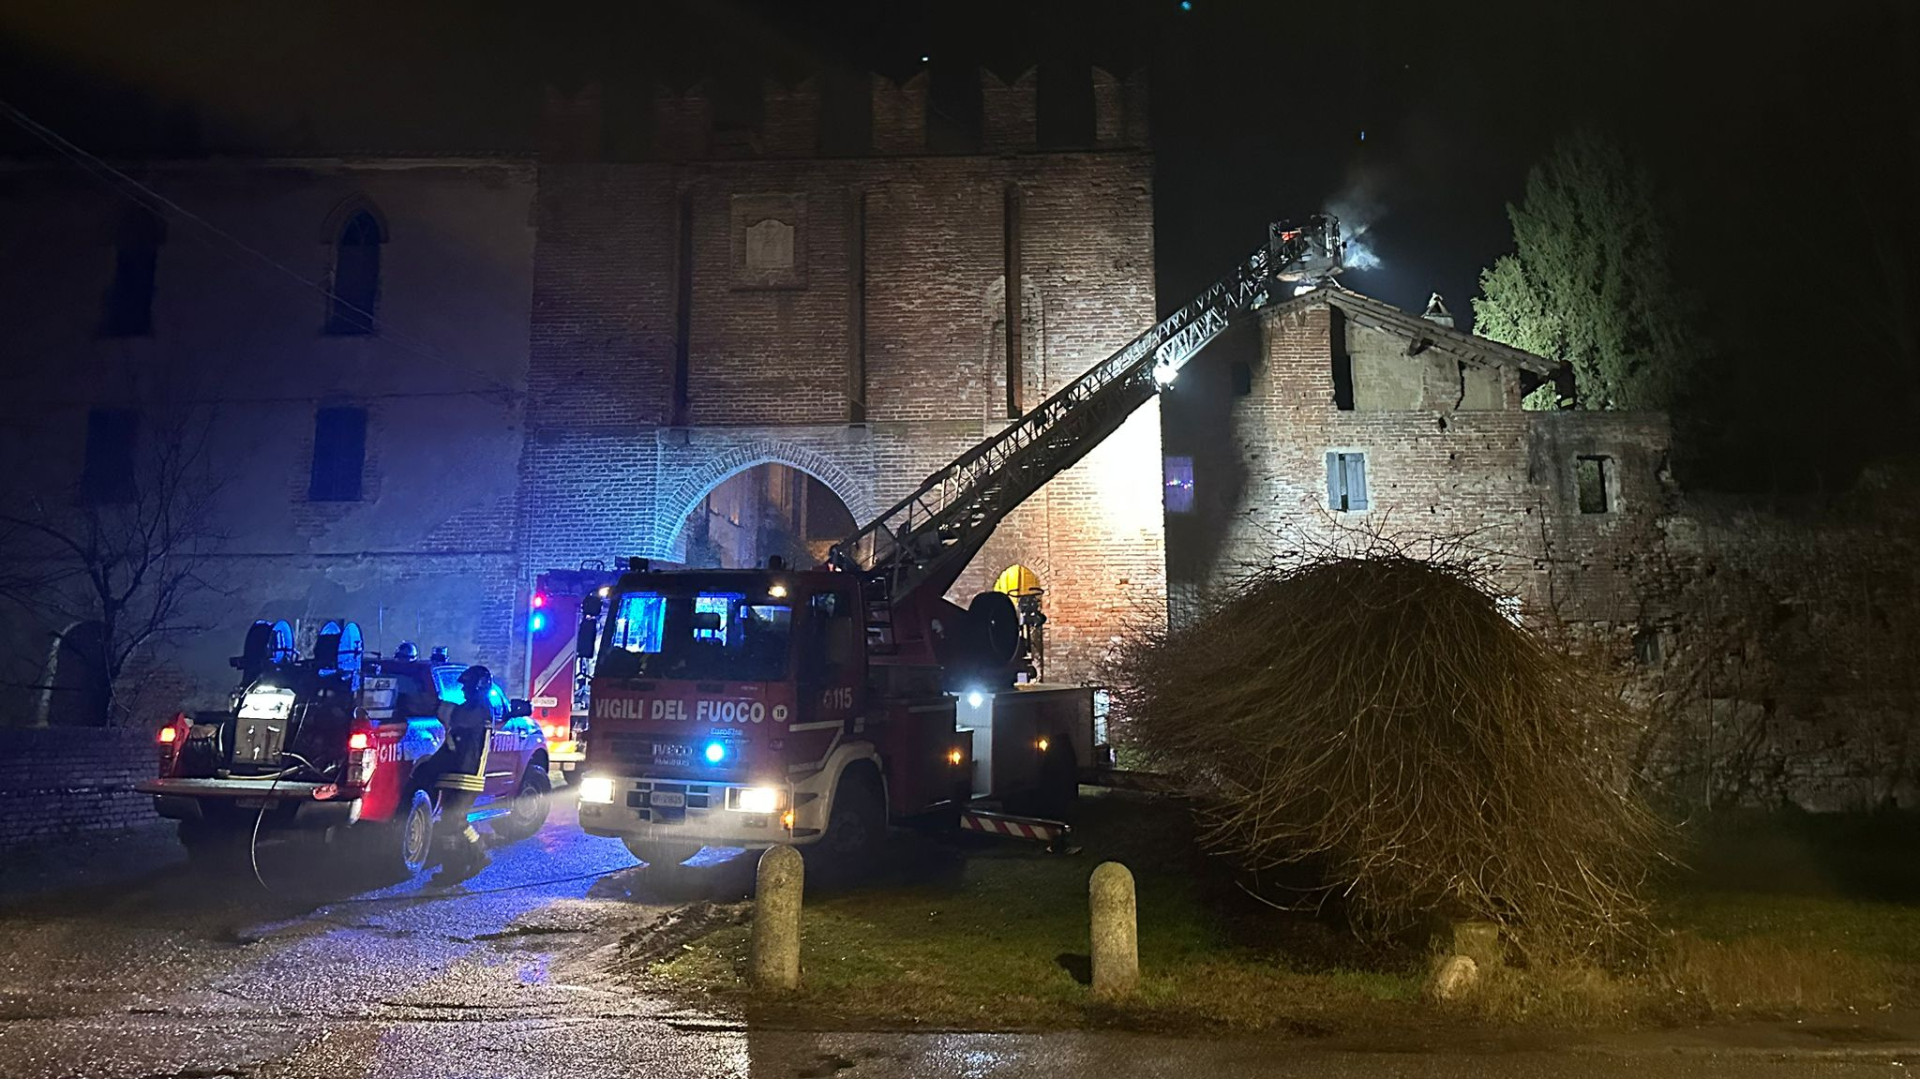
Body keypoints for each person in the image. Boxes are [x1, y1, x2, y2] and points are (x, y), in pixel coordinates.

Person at [431, 665, 495, 876]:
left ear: (479, 687)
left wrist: (431, 704)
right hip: (457, 773)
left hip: (468, 775)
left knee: (454, 819)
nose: (463, 690)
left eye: (467, 686)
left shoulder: (479, 709)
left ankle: (476, 856)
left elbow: (457, 717)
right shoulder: (474, 707)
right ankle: (455, 866)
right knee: (451, 820)